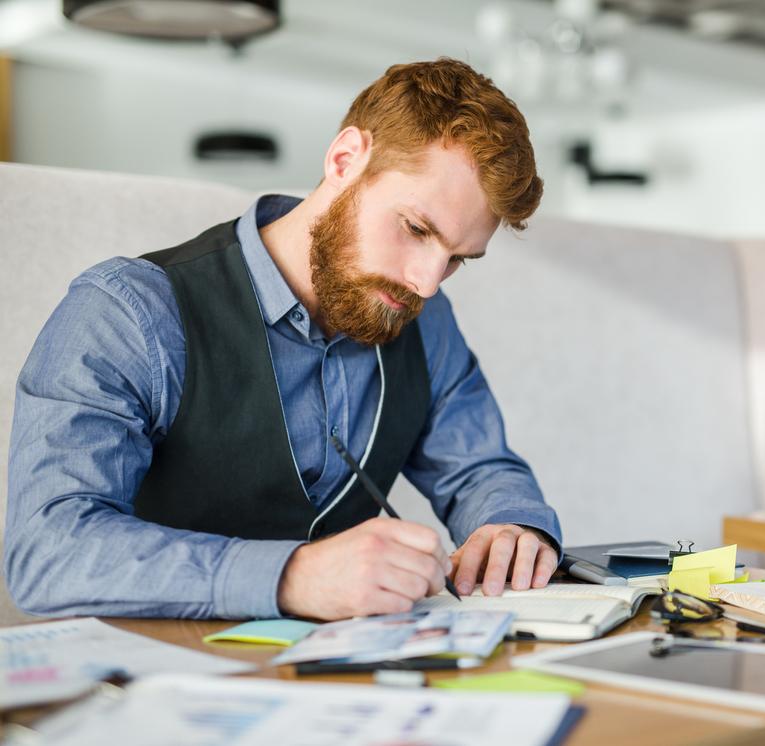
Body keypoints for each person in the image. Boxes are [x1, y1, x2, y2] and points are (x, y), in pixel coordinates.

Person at [4, 58, 561, 621]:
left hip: (352, 681)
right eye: (416, 230)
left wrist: (512, 525)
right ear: (345, 160)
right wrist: (293, 577)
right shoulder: (127, 311)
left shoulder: (425, 320)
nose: (425, 282)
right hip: (156, 677)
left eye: (457, 260)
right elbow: (46, 550)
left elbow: (478, 469)